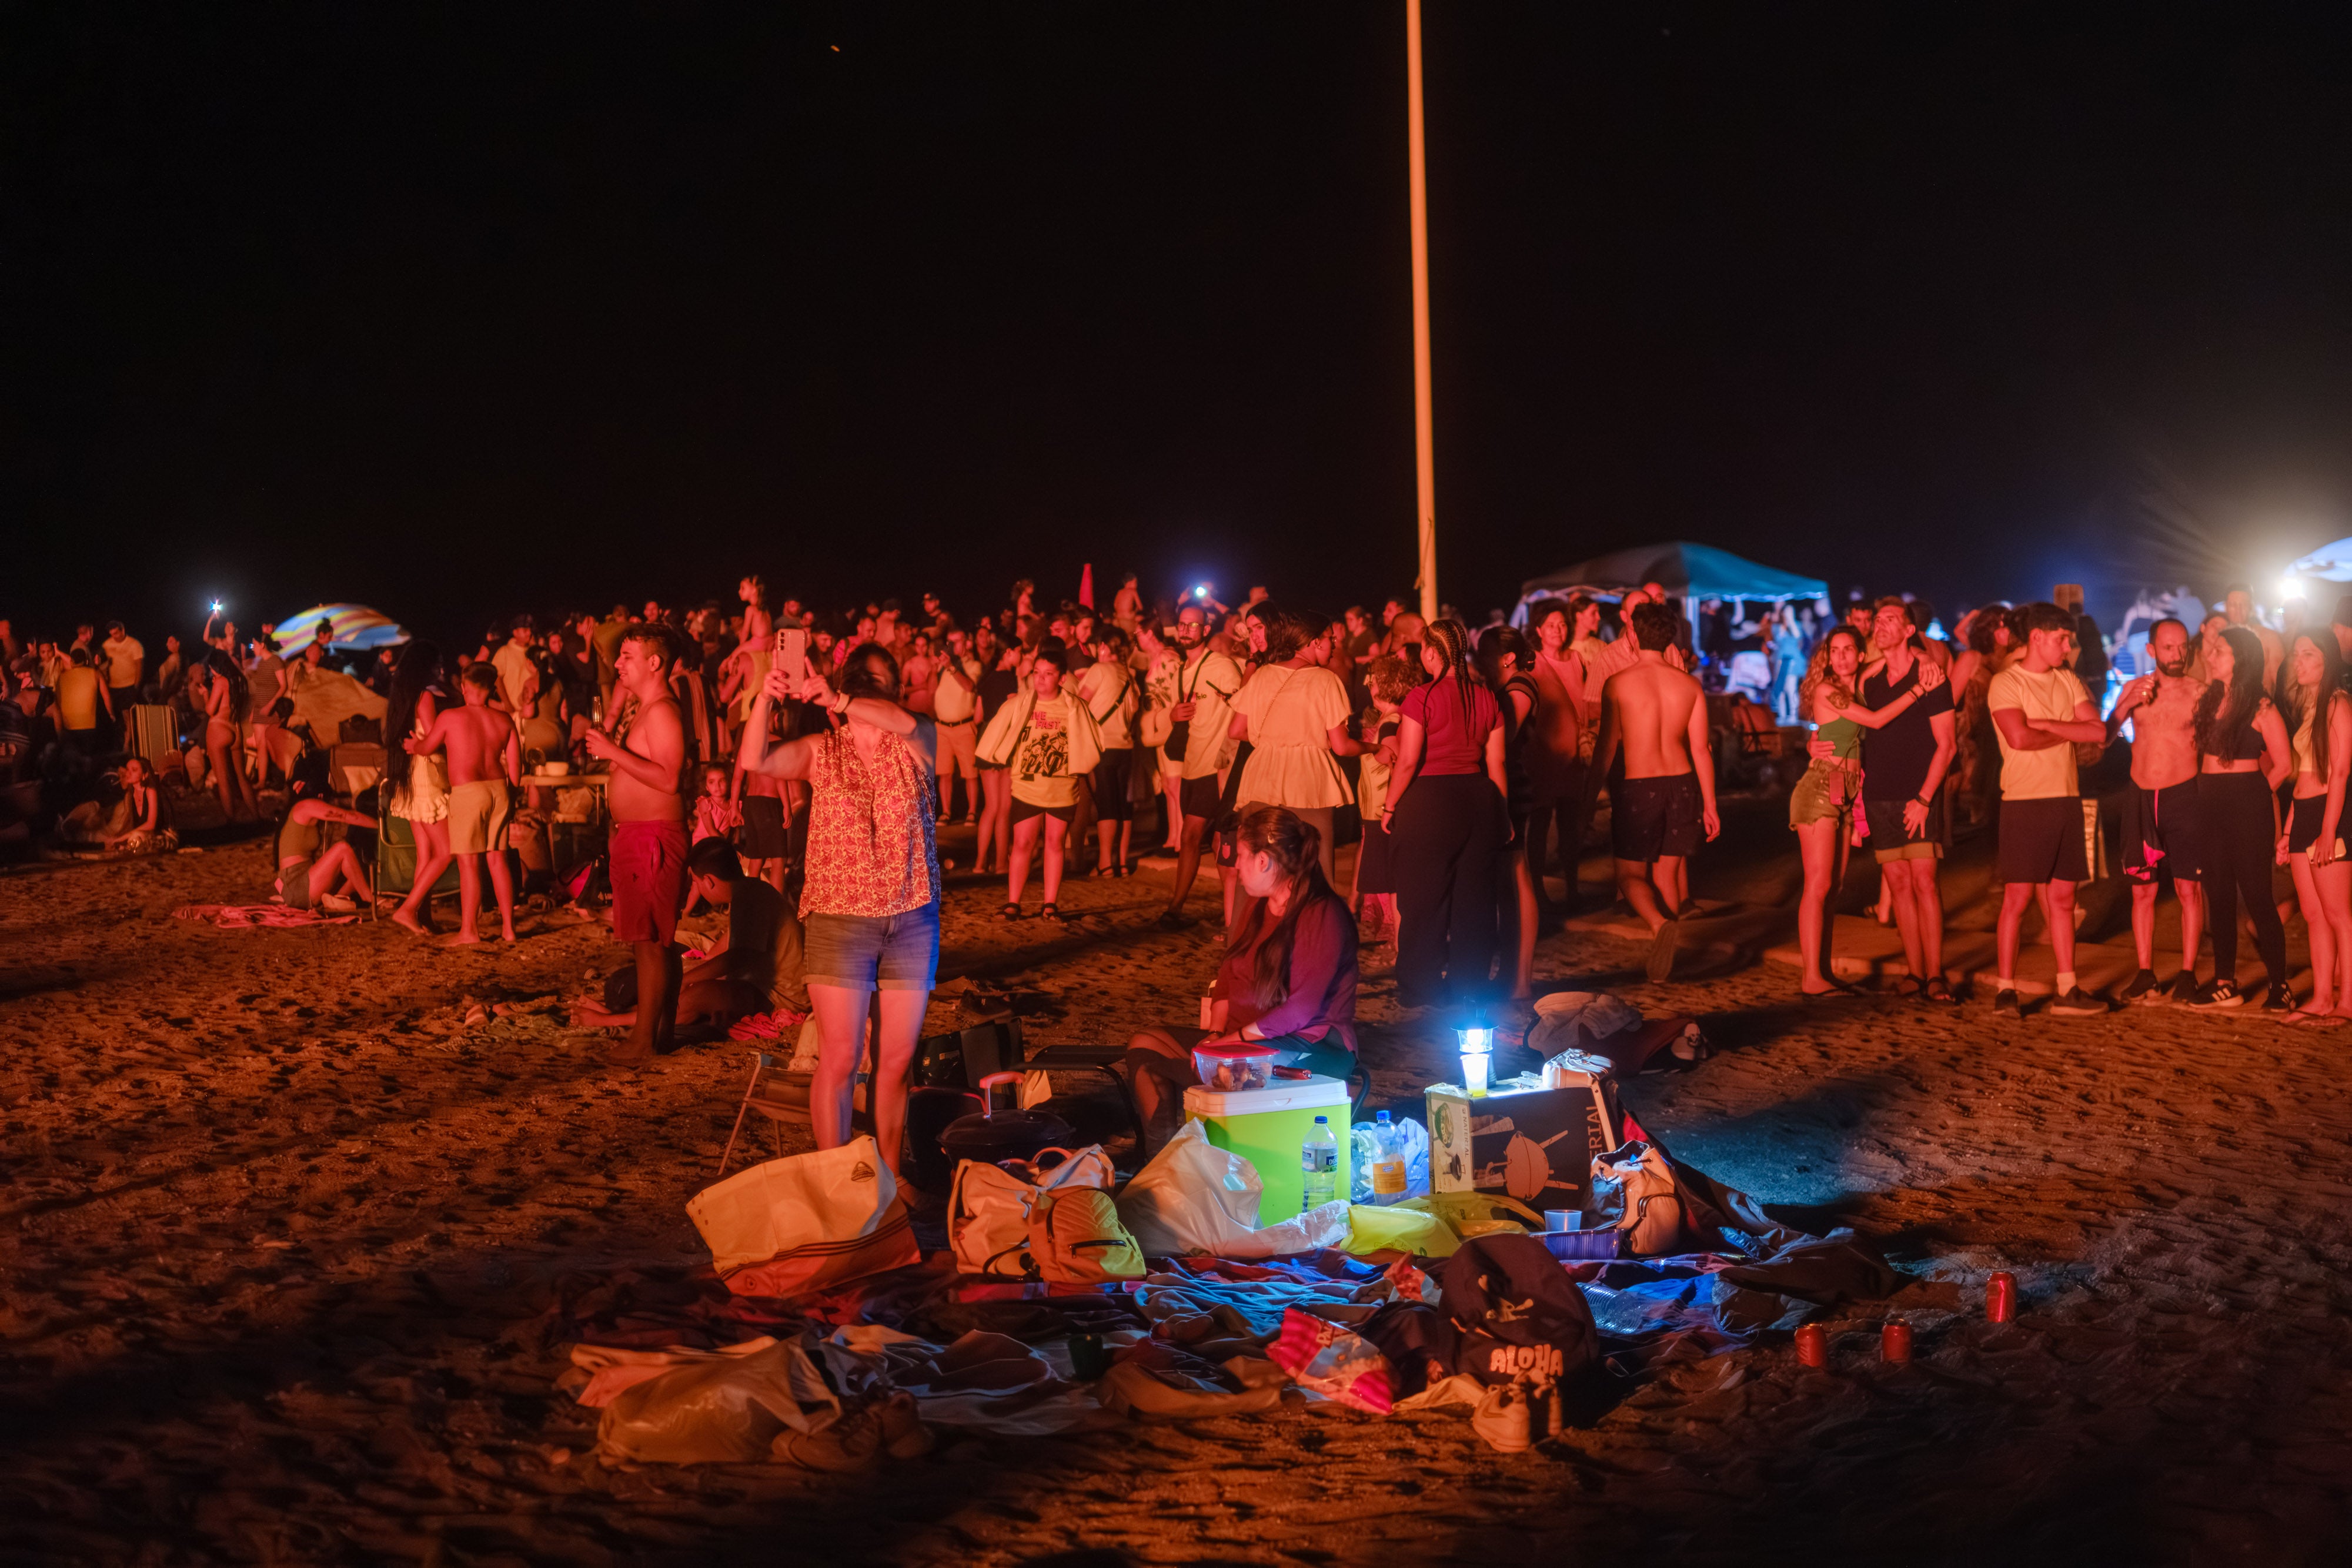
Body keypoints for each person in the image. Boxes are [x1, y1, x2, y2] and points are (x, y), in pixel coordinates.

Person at [738, 642, 940, 1173]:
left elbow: (897, 719)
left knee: (896, 1064)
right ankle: (838, 1183)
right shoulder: (821, 749)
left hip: (912, 916)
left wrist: (843, 696)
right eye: (861, 682)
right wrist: (763, 698)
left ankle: (889, 1180)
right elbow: (754, 759)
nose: (869, 693)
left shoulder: (918, 738)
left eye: (877, 684)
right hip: (838, 917)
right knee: (841, 1058)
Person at [1122, 806, 1358, 1149]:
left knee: (1229, 1069)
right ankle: (1163, 1163)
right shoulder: (1256, 904)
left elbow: (1301, 1009)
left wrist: (1233, 1041)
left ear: (1264, 861)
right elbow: (1229, 974)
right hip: (1245, 1042)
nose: (1236, 865)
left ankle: (1220, 1165)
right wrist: (1217, 1034)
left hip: (1312, 1046)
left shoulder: (1321, 913)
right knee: (1145, 1045)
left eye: (1243, 856)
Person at [1790, 625, 1945, 997]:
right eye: (1834, 650)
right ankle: (1811, 977)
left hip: (1846, 794)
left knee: (1835, 888)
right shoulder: (1828, 691)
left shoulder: (1858, 685)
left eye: (1848, 650)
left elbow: (1899, 655)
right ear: (1826, 657)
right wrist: (1919, 690)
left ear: (1860, 656)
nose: (1840, 656)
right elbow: (1876, 721)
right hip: (1821, 790)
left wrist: (1923, 657)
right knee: (1819, 886)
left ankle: (1823, 972)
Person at [1987, 603, 2110, 1017]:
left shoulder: (2068, 679)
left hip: (2065, 798)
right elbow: (2018, 739)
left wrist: (2047, 725)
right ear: (2037, 637)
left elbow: (2098, 731)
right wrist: (2066, 731)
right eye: (2061, 638)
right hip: (2023, 800)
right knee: (2017, 898)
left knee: (2062, 898)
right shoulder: (2006, 683)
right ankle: (2006, 989)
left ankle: (2067, 987)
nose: (2068, 645)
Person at [1590, 601, 1720, 982]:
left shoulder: (1618, 683)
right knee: (1668, 876)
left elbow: (1606, 748)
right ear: (1671, 638)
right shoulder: (1690, 685)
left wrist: (1586, 801)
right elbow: (1701, 749)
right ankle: (1667, 945)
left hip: (1639, 785)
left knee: (1630, 875)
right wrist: (1711, 804)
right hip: (1682, 783)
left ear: (1634, 632)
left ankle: (1657, 922)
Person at [1381, 618, 1507, 1009]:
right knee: (1474, 899)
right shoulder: (1487, 696)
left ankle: (1421, 985)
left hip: (1430, 801)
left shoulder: (1422, 696)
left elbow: (1407, 760)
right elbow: (1497, 762)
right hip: (1478, 799)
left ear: (1432, 652)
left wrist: (1389, 805)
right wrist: (1503, 815)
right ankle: (1469, 982)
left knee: (1422, 899)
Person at [573, 835, 809, 1031]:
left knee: (696, 995)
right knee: (687, 981)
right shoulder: (750, 892)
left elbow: (737, 958)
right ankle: (629, 1015)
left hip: (782, 998)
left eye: (696, 882)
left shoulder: (750, 898)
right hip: (758, 985)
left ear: (709, 882)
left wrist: (686, 980)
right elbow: (730, 948)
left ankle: (609, 1020)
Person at [586, 624, 691, 1061]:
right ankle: (658, 1034)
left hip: (653, 837)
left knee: (650, 943)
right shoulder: (647, 708)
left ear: (655, 662)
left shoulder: (663, 710)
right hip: (640, 835)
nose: (617, 664)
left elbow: (670, 779)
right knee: (651, 941)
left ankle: (643, 1040)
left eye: (627, 655)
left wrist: (613, 753)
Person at [2184, 625, 2293, 1011]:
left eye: (2220, 650)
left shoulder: (2262, 708)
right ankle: (2225, 982)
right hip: (2209, 801)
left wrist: (2254, 794)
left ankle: (2280, 985)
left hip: (2247, 803)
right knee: (2219, 894)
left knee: (2258, 896)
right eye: (2212, 649)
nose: (2210, 655)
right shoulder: (2210, 699)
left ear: (2241, 659)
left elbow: (2284, 764)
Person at [1858, 599, 1959, 1001]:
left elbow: (1947, 745)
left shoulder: (1932, 676)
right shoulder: (1869, 679)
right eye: (1877, 620)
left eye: (1891, 620)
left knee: (1925, 883)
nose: (1880, 625)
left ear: (1908, 630)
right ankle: (1915, 972)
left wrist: (1924, 797)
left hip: (1919, 794)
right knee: (1898, 885)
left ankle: (1936, 974)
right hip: (1879, 794)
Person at [2104, 618, 2208, 1004]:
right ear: (2151, 651)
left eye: (2183, 647)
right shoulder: (2135, 689)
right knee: (2143, 892)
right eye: (2168, 648)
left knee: (2188, 888)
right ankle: (2145, 972)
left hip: (2184, 795)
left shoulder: (2200, 692)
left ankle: (2187, 972)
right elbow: (2105, 736)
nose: (2178, 655)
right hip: (2142, 797)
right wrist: (2127, 703)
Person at [1227, 609, 1355, 886]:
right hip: (1309, 779)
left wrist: (1273, 740)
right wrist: (1373, 747)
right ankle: (1314, 927)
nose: (1334, 645)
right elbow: (1342, 746)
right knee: (1314, 868)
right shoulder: (1326, 681)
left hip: (1261, 775)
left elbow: (1236, 730)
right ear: (1315, 641)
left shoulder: (1260, 676)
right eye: (1330, 638)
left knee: (1257, 867)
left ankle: (1250, 927)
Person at [979, 641, 1102, 921]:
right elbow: (999, 730)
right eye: (1037, 672)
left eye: (1048, 674)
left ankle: (1050, 904)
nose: (1041, 679)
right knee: (1022, 843)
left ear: (1061, 678)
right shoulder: (1020, 704)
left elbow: (1091, 741)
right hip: (1027, 784)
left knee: (1055, 842)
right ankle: (1013, 903)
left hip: (1062, 786)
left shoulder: (1075, 707)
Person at [409, 663, 522, 945]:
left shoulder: (450, 717)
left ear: (464, 687)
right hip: (499, 791)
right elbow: (517, 774)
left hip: (468, 793)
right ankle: (509, 929)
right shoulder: (505, 720)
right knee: (498, 859)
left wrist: (414, 746)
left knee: (469, 864)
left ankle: (469, 932)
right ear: (490, 689)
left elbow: (428, 746)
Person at [2277, 631, 2352, 1025]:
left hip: (2330, 814)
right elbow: (2305, 775)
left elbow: (2338, 774)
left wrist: (2329, 830)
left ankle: (2348, 1001)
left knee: (2339, 914)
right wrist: (2290, 830)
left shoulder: (2338, 704)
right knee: (2313, 914)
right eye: (2296, 654)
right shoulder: (2310, 705)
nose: (2299, 661)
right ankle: (2323, 996)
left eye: (2309, 654)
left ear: (2329, 660)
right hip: (2305, 811)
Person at [1157, 602, 1245, 927]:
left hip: (1214, 766)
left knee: (1190, 836)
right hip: (1191, 766)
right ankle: (1231, 918)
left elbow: (1243, 705)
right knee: (1215, 843)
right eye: (1182, 624)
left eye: (1193, 625)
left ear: (1206, 630)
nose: (1185, 630)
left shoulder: (1221, 667)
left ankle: (1175, 908)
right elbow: (1177, 714)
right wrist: (1172, 715)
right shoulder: (1181, 670)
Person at [1478, 625, 1544, 1000]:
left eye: (1487, 654)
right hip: (1511, 782)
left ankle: (1521, 981)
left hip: (1514, 785)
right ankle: (1513, 974)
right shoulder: (1511, 686)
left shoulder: (1520, 687)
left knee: (1518, 877)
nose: (1481, 661)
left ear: (1507, 657)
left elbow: (1507, 736)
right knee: (1509, 880)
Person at [1523, 599, 1593, 915]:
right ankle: (1537, 890)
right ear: (1538, 630)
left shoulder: (1577, 660)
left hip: (1574, 755)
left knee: (1571, 826)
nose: (1557, 630)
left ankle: (1574, 887)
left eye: (1562, 624)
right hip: (1544, 756)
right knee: (1539, 825)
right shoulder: (1532, 664)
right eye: (1550, 625)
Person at [383, 641, 455, 936]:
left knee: (425, 854)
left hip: (410, 775)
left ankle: (422, 916)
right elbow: (435, 738)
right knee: (446, 850)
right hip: (427, 775)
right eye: (437, 661)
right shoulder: (425, 696)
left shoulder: (404, 695)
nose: (441, 666)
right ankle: (408, 909)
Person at [1078, 626, 1142, 877]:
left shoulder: (1099, 670)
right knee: (1122, 805)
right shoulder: (1128, 674)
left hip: (1103, 746)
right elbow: (1135, 708)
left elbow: (1079, 702)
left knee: (1106, 805)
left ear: (1103, 646)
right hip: (1126, 747)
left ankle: (1105, 863)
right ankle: (1122, 862)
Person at [273, 771, 379, 911]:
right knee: (342, 848)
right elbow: (348, 816)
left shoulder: (298, 807)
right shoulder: (306, 806)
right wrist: (382, 826)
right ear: (320, 795)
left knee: (358, 866)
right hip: (296, 884)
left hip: (303, 879)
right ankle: (370, 899)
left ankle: (337, 899)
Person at [62, 754, 173, 852]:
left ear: (145, 775)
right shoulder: (130, 795)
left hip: (155, 834)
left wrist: (122, 838)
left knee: (135, 839)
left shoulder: (150, 791)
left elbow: (151, 824)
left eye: (134, 770)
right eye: (128, 769)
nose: (128, 773)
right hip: (134, 833)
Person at [197, 649, 258, 823]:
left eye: (212, 669)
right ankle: (257, 816)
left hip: (219, 729)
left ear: (216, 667)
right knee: (242, 778)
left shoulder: (221, 682)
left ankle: (230, 820)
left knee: (223, 781)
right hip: (236, 730)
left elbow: (210, 710)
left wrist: (205, 695)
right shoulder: (240, 680)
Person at [931, 627, 983, 824]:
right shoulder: (941, 667)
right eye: (949, 642)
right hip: (942, 727)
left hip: (964, 726)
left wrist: (951, 666)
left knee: (970, 773)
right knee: (944, 773)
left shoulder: (973, 665)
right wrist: (935, 667)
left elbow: (969, 687)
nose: (953, 646)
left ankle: (971, 812)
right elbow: (932, 690)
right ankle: (946, 812)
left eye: (957, 642)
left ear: (966, 643)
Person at [2223, 583, 2284, 691]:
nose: (2239, 610)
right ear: (2226, 607)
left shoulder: (2269, 638)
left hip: (2260, 704)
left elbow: (2282, 684)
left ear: (2251, 607)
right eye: (2233, 605)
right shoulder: (2220, 638)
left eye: (2244, 605)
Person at [54, 647, 106, 753]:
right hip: (89, 724)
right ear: (86, 661)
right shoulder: (95, 673)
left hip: (68, 724)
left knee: (72, 758)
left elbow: (57, 702)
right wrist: (111, 714)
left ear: (72, 662)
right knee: (88, 756)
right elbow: (106, 696)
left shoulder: (61, 677)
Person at [100, 621, 143, 733]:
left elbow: (139, 666)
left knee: (127, 716)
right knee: (115, 715)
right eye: (112, 634)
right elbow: (102, 663)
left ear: (123, 630)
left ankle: (128, 744)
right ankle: (120, 740)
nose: (114, 636)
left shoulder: (134, 644)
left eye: (116, 633)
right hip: (113, 686)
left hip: (129, 685)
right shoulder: (107, 645)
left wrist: (136, 686)